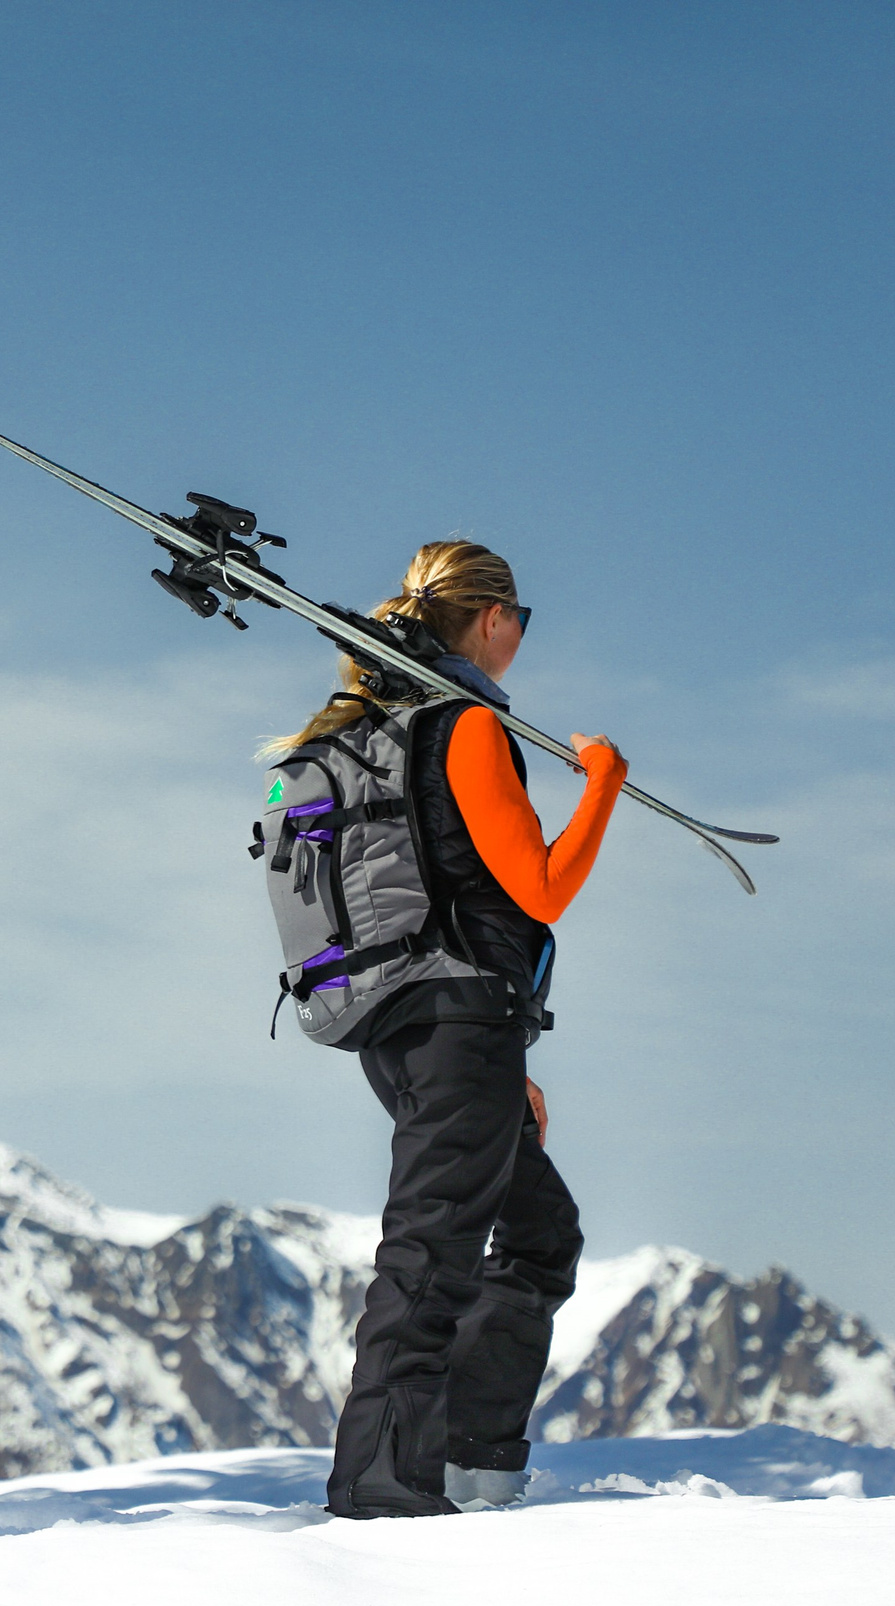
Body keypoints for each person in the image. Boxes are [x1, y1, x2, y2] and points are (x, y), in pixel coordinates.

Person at [263, 541, 627, 1518]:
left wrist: (509, 1065)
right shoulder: (462, 726)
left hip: (403, 1019)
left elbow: (440, 893)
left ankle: (472, 1464)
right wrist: (602, 784)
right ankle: (385, 1492)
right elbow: (538, 886)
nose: (521, 637)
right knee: (431, 1254)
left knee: (539, 1233)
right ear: (490, 619)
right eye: (521, 619)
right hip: (456, 1021)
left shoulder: (370, 732)